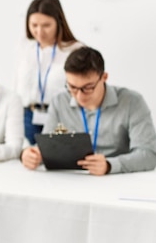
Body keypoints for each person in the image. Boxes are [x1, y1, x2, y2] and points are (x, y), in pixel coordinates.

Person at [21, 46, 156, 175]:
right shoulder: (59, 101)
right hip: (72, 179)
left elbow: (149, 155)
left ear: (104, 77)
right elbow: (46, 148)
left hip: (117, 180)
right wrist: (30, 155)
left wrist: (110, 165)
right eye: (72, 87)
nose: (79, 95)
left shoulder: (132, 101)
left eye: (88, 87)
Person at [14, 0, 83, 145]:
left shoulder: (75, 50)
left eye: (46, 25)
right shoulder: (25, 46)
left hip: (61, 115)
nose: (39, 32)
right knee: (29, 161)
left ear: (58, 22)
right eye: (34, 25)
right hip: (28, 115)